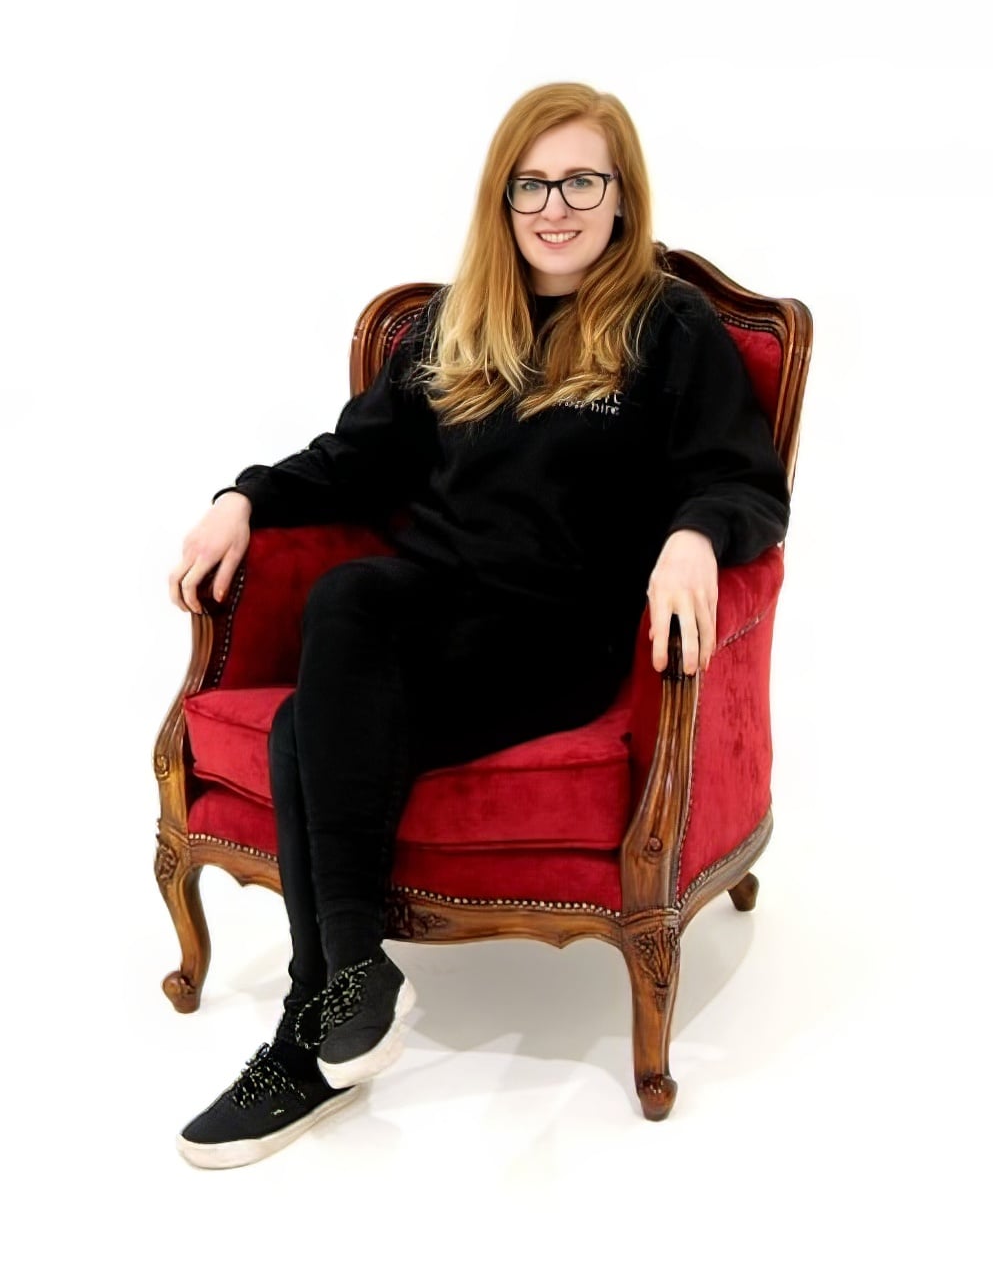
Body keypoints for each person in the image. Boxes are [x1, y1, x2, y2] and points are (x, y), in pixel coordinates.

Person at [168, 81, 790, 1168]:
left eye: (581, 181)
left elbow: (745, 483)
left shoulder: (667, 326)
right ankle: (343, 992)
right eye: (531, 184)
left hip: (559, 641)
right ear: (501, 197)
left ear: (622, 194)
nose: (556, 207)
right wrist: (243, 496)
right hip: (431, 617)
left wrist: (696, 534)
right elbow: (354, 458)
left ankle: (322, 1015)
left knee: (324, 676)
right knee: (324, 666)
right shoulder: (457, 322)